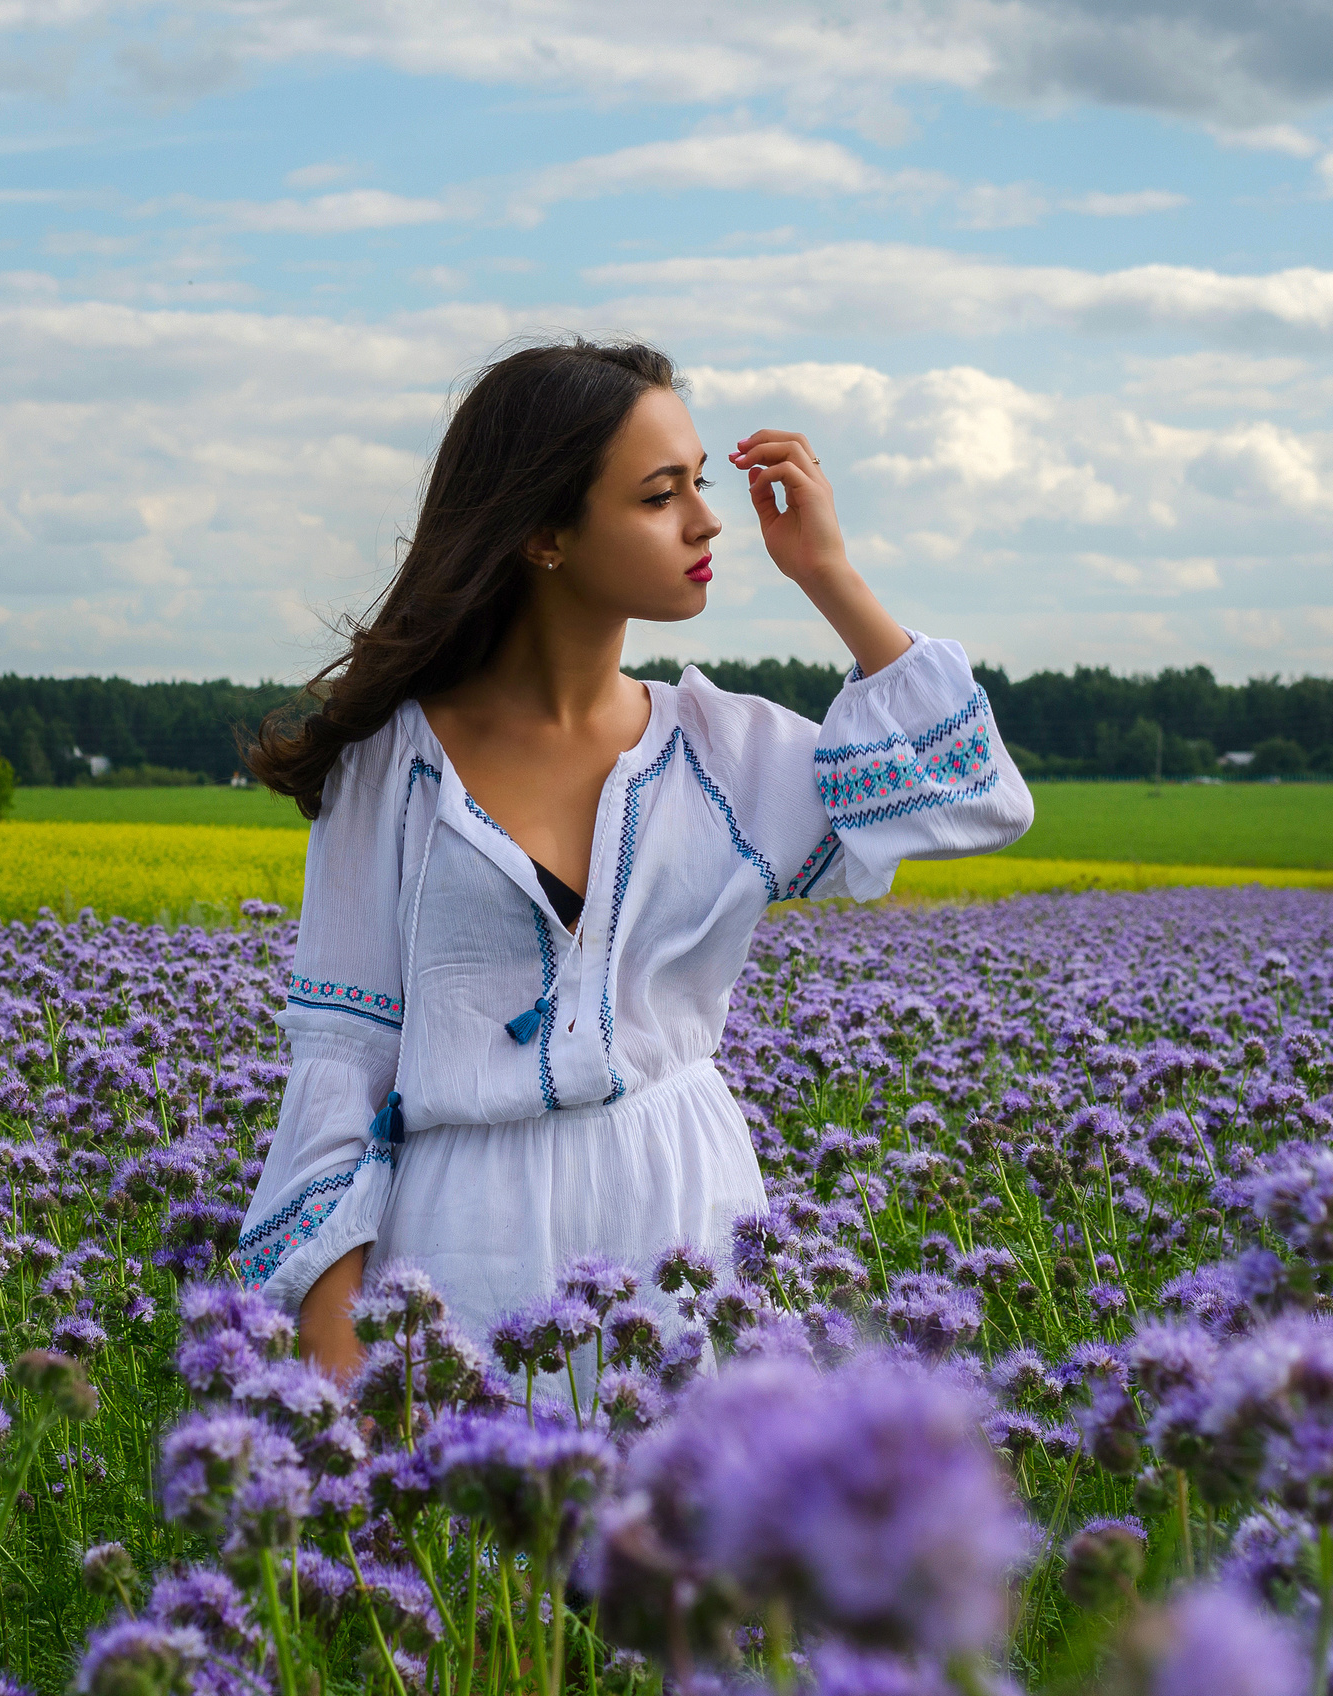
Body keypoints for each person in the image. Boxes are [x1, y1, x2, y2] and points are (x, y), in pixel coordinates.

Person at [237, 337, 1034, 1377]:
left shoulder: (724, 752)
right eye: (661, 495)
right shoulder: (392, 766)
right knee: (485, 1535)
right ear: (545, 534)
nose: (707, 520)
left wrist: (828, 574)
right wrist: (341, 1361)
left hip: (687, 1219)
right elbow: (341, 1063)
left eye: (698, 483)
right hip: (464, 1245)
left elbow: (978, 798)